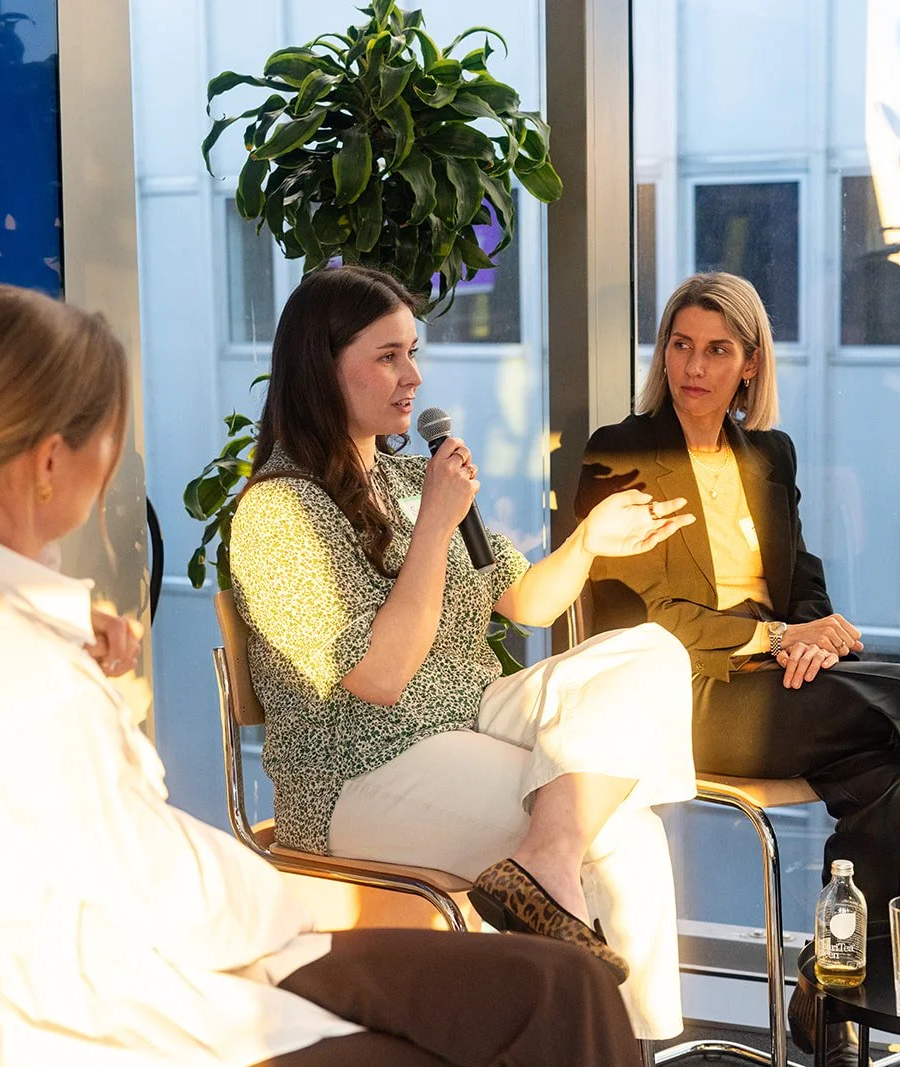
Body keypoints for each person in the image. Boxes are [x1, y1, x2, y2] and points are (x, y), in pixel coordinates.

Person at [0, 284, 644, 1066]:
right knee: (553, 1005)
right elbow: (166, 893)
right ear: (51, 462)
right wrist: (318, 902)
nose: (115, 470)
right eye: (111, 443)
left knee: (559, 983)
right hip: (144, 1009)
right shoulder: (14, 669)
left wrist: (59, 635)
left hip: (179, 961)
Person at [228, 265, 699, 1041]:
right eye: (387, 356)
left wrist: (589, 543)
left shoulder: (413, 476)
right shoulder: (279, 512)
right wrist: (435, 529)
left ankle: (555, 891)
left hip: (470, 712)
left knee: (650, 652)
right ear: (323, 365)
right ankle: (615, 1044)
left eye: (413, 352)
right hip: (357, 768)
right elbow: (380, 677)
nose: (412, 376)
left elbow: (530, 602)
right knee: (622, 832)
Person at [575, 272, 900, 1059]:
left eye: (718, 350)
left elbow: (801, 579)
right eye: (681, 345)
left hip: (776, 685)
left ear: (750, 364)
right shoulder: (623, 452)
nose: (695, 365)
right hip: (679, 698)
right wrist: (775, 639)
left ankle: (829, 1003)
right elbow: (653, 618)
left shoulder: (769, 456)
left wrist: (812, 634)